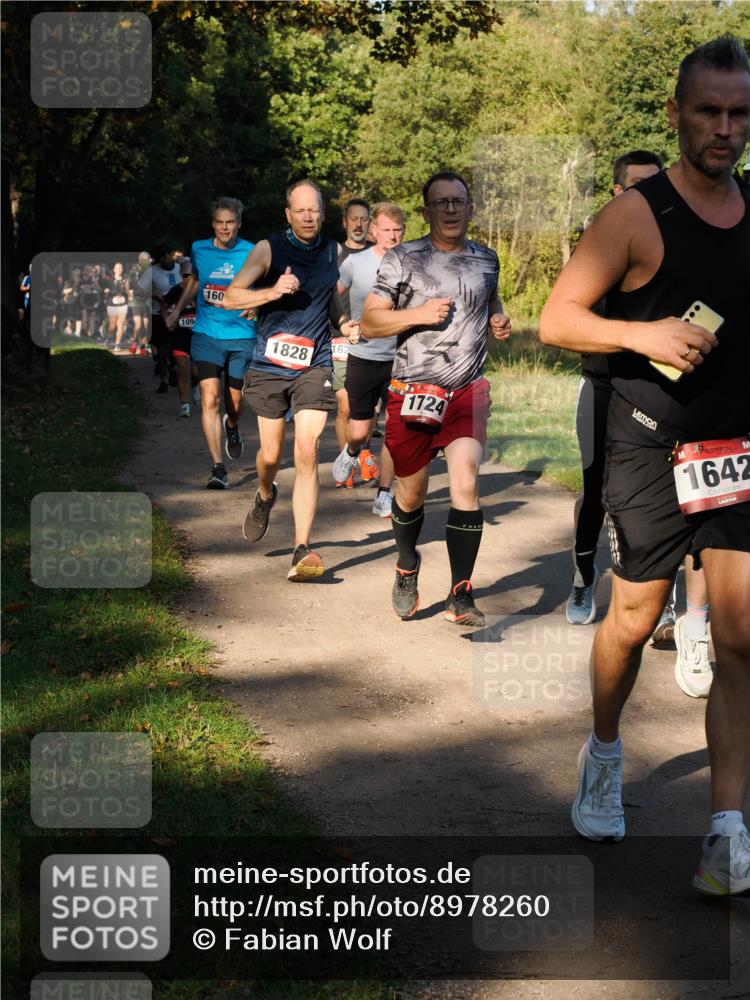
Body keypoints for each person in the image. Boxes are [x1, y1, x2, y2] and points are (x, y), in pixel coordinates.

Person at [539, 35, 750, 894]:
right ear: (676, 112)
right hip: (647, 443)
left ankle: (726, 832)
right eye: (708, 110)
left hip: (734, 452)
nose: (724, 129)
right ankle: (603, 751)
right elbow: (558, 318)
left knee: (740, 635)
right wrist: (639, 331)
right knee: (631, 620)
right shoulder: (637, 215)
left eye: (739, 113)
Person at [360, 171, 512, 626]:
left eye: (458, 202)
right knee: (412, 492)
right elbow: (370, 323)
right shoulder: (403, 259)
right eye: (441, 203)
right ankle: (407, 564)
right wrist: (418, 314)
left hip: (467, 389)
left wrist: (499, 320)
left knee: (466, 483)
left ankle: (460, 594)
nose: (450, 210)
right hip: (413, 391)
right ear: (426, 212)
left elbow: (491, 301)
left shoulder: (488, 259)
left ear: (471, 209)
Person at [224, 179, 339, 581]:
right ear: (288, 214)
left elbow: (332, 303)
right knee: (271, 457)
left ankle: (302, 548)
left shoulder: (331, 251)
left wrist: (347, 324)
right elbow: (231, 297)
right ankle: (265, 494)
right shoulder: (268, 249)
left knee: (307, 450)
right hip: (270, 366)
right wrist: (272, 292)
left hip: (315, 364)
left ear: (323, 213)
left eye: (315, 210)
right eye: (300, 210)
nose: (309, 216)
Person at [567, 150, 664, 626]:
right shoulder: (600, 243)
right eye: (637, 185)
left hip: (661, 394)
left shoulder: (676, 244)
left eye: (656, 184)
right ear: (617, 192)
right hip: (604, 387)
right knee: (595, 489)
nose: (647, 194)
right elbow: (565, 321)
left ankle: (659, 601)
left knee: (661, 496)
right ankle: (584, 579)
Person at [167, 197, 256, 486]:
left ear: (239, 224)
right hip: (207, 334)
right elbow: (195, 280)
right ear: (213, 224)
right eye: (219, 222)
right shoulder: (199, 249)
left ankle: (231, 425)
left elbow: (265, 285)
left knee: (235, 403)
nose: (224, 228)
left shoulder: (252, 251)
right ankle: (218, 468)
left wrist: (257, 305)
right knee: (209, 397)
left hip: (241, 335)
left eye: (230, 222)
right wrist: (178, 309)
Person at [332, 202, 406, 517]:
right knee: (360, 430)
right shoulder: (355, 262)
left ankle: (385, 493)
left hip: (401, 359)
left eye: (397, 230)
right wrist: (343, 322)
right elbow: (332, 294)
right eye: (386, 229)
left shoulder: (413, 262)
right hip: (363, 354)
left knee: (394, 430)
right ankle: (351, 451)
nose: (392, 236)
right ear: (374, 230)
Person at [330, 198, 379, 487]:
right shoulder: (335, 256)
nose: (359, 224)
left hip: (374, 339)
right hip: (340, 337)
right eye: (354, 219)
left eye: (364, 219)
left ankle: (362, 453)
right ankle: (345, 460)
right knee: (345, 405)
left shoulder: (381, 255)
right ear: (345, 222)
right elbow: (328, 294)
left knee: (369, 405)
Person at [136, 246, 184, 395]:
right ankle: (164, 379)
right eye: (160, 258)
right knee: (161, 350)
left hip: (179, 312)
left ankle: (174, 368)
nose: (163, 260)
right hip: (158, 313)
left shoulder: (180, 269)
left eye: (166, 256)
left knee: (178, 347)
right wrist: (156, 297)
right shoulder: (152, 271)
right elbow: (139, 291)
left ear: (171, 255)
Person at [128, 252, 152, 356]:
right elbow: (128, 284)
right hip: (137, 301)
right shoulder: (134, 270)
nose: (141, 261)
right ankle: (134, 342)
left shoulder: (152, 270)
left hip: (148, 301)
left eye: (143, 259)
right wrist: (129, 293)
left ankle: (142, 347)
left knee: (147, 326)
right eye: (140, 259)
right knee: (138, 325)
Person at [104, 261, 130, 352]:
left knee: (120, 324)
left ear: (122, 269)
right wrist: (106, 292)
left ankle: (117, 344)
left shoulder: (125, 279)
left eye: (120, 268)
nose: (119, 269)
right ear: (114, 270)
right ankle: (108, 338)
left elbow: (128, 291)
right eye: (117, 267)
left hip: (123, 304)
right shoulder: (109, 280)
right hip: (112, 304)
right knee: (112, 326)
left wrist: (129, 299)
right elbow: (105, 291)